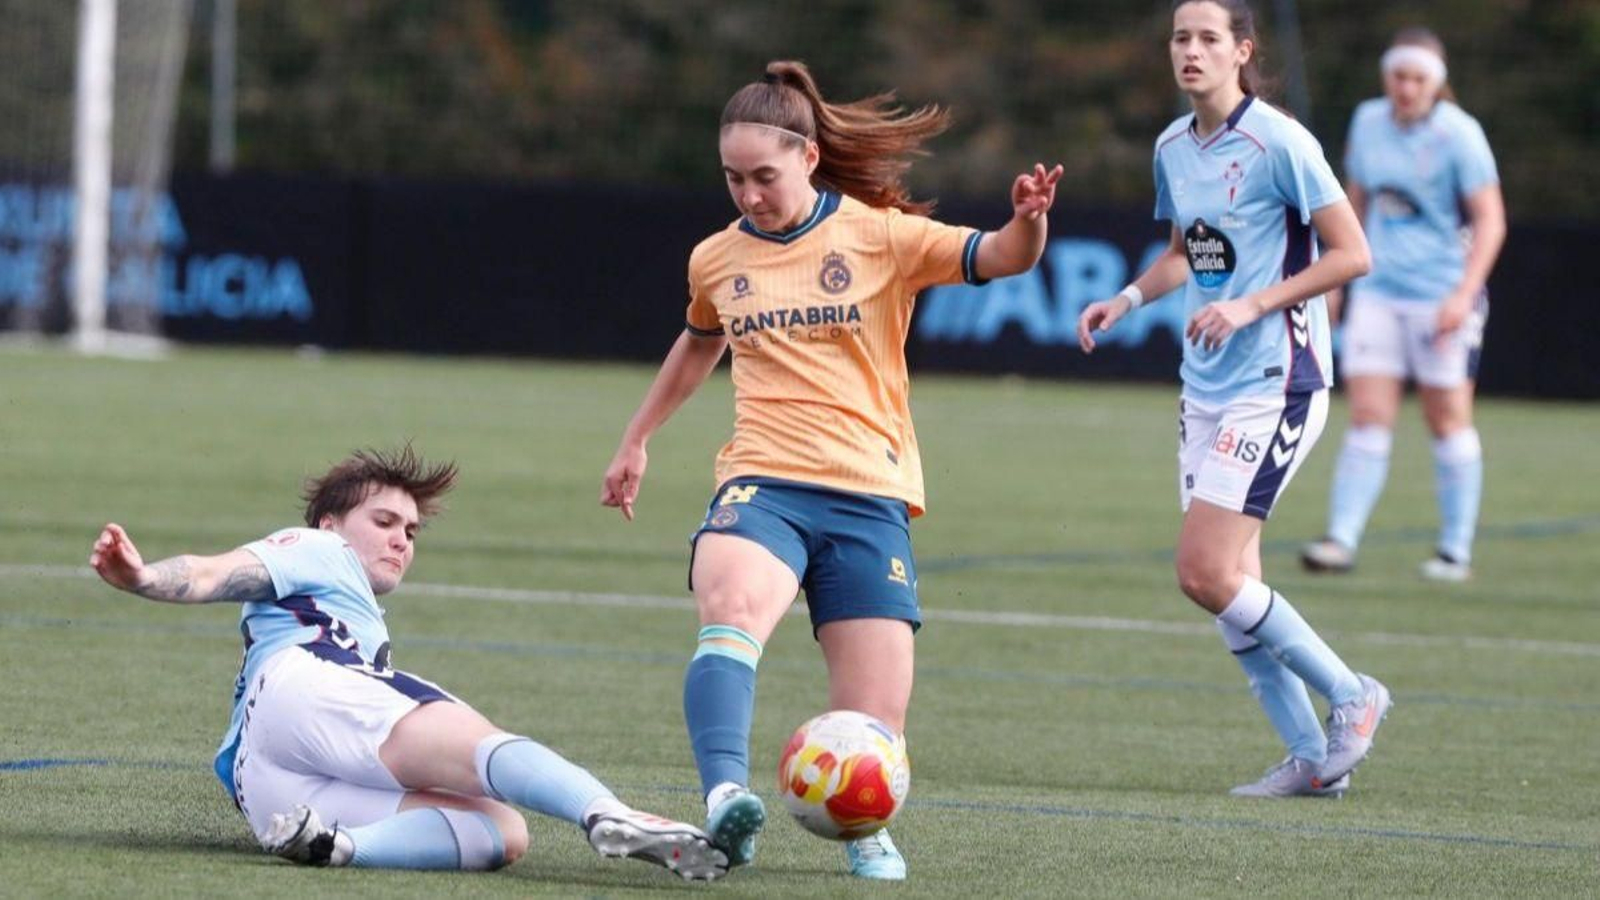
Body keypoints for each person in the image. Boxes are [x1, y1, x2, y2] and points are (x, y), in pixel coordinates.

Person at [600, 61, 1061, 879]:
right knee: (732, 606)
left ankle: (864, 824)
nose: (747, 194)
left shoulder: (881, 235)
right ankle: (722, 803)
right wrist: (638, 438)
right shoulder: (715, 258)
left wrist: (1028, 221)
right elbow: (699, 341)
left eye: (764, 177)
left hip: (869, 497)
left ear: (809, 159)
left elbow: (1002, 258)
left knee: (876, 718)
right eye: (734, 178)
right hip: (763, 482)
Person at [89, 446, 727, 880]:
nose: (400, 538)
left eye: (412, 531)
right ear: (330, 523)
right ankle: (606, 811)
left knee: (500, 831)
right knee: (482, 745)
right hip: (306, 690)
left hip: (265, 789)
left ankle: (339, 847)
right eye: (385, 520)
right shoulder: (318, 548)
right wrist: (146, 577)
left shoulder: (346, 604)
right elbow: (218, 572)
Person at [1076, 0, 1392, 798]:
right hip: (1206, 387)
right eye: (1180, 37)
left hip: (1276, 381)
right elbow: (1188, 255)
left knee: (1204, 569)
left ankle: (1352, 694)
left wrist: (1254, 304)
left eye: (1208, 38)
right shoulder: (1173, 147)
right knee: (1229, 586)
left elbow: (1353, 254)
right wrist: (1129, 299)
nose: (1190, 50)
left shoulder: (1281, 141)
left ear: (1241, 50)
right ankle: (1313, 763)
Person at [1300, 28, 1505, 582]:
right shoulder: (1368, 122)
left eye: (1418, 79)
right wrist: (1337, 280)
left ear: (1435, 84)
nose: (1406, 88)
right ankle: (1340, 539)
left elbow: (1490, 218)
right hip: (1379, 292)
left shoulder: (1460, 135)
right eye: (1399, 76)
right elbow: (1355, 202)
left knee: (1446, 418)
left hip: (1441, 295)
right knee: (1367, 415)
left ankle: (1454, 550)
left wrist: (1464, 294)